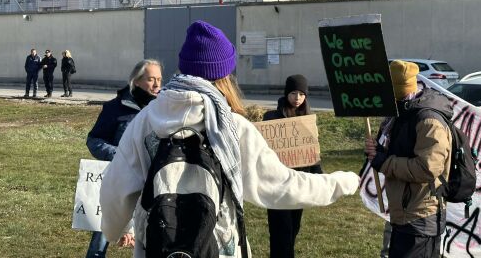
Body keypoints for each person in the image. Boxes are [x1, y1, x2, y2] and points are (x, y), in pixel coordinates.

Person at [99, 21, 359, 258]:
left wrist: (112, 231)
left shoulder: (145, 120)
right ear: (224, 75)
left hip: (158, 248)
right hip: (218, 247)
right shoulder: (232, 127)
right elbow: (283, 185)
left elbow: (114, 189)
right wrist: (343, 182)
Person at [365, 60, 452, 258]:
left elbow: (427, 167)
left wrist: (384, 162)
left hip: (420, 217)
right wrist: (378, 152)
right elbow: (402, 150)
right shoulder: (402, 114)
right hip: (405, 214)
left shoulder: (428, 120)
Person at [85, 59, 163, 258]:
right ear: (136, 81)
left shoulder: (163, 110)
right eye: (151, 79)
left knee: (153, 238)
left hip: (154, 186)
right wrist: (118, 155)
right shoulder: (115, 108)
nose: (156, 85)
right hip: (119, 182)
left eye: (160, 80)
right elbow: (94, 139)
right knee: (103, 233)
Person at [263, 74, 323, 258]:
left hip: (299, 183)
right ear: (286, 93)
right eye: (293, 93)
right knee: (281, 231)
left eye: (301, 94)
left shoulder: (308, 118)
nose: (297, 98)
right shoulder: (271, 117)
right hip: (277, 184)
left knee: (293, 229)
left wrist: (318, 175)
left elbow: (312, 150)